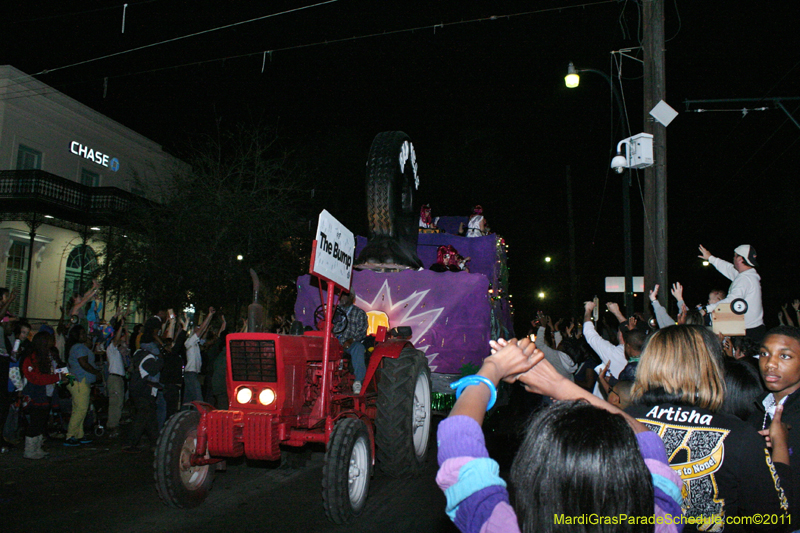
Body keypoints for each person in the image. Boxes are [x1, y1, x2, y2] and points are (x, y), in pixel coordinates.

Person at [436, 337, 683, 533]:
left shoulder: (500, 525)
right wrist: (560, 385)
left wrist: (493, 368)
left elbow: (458, 441)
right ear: (631, 473)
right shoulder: (661, 521)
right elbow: (649, 441)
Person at [627, 325, 789, 528]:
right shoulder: (739, 436)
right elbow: (775, 519)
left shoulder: (621, 421)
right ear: (711, 366)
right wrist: (780, 448)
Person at [698, 244, 764, 340]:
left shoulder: (745, 279)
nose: (733, 258)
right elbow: (729, 269)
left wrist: (706, 309)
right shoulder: (747, 275)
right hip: (753, 330)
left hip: (749, 333)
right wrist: (711, 258)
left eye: (735, 256)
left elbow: (731, 301)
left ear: (740, 259)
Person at [21, 331, 62, 459]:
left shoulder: (47, 356)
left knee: (41, 422)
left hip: (46, 393)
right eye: (49, 340)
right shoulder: (31, 358)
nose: (52, 342)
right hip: (36, 394)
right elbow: (35, 378)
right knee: (36, 422)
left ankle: (37, 448)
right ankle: (29, 450)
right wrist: (56, 377)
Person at [64, 325, 102, 446]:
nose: (85, 336)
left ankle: (78, 434)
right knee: (81, 409)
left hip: (76, 380)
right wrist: (96, 372)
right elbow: (84, 364)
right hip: (80, 380)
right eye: (82, 334)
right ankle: (70, 435)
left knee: (78, 409)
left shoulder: (76, 347)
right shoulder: (79, 347)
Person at [124, 346, 164, 453]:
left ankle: (154, 442)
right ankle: (131, 442)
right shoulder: (149, 359)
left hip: (139, 390)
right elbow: (154, 370)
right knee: (143, 417)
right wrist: (161, 359)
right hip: (143, 391)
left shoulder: (141, 356)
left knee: (150, 417)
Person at [335, 292, 368, 394]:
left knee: (358, 347)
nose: (342, 297)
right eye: (341, 295)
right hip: (334, 343)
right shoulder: (334, 311)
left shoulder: (359, 313)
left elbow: (362, 332)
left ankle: (358, 381)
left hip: (349, 344)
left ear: (352, 297)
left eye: (346, 295)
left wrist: (351, 340)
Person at [184, 307, 215, 405]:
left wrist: (210, 316)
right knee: (199, 398)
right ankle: (202, 417)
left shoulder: (196, 343)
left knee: (188, 400)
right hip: (191, 374)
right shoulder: (190, 342)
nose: (200, 331)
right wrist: (209, 315)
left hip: (193, 374)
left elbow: (203, 330)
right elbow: (202, 329)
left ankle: (185, 417)